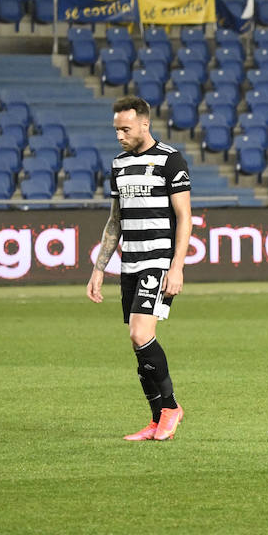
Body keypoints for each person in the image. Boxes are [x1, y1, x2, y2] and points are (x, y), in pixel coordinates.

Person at [86, 96, 192, 441]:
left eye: (126, 129)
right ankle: (155, 419)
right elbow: (115, 220)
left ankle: (171, 408)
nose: (120, 135)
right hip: (129, 263)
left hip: (158, 261)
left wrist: (176, 268)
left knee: (140, 334)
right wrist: (100, 268)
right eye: (116, 129)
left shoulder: (170, 160)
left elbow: (185, 217)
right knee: (139, 344)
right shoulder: (118, 165)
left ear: (144, 124)